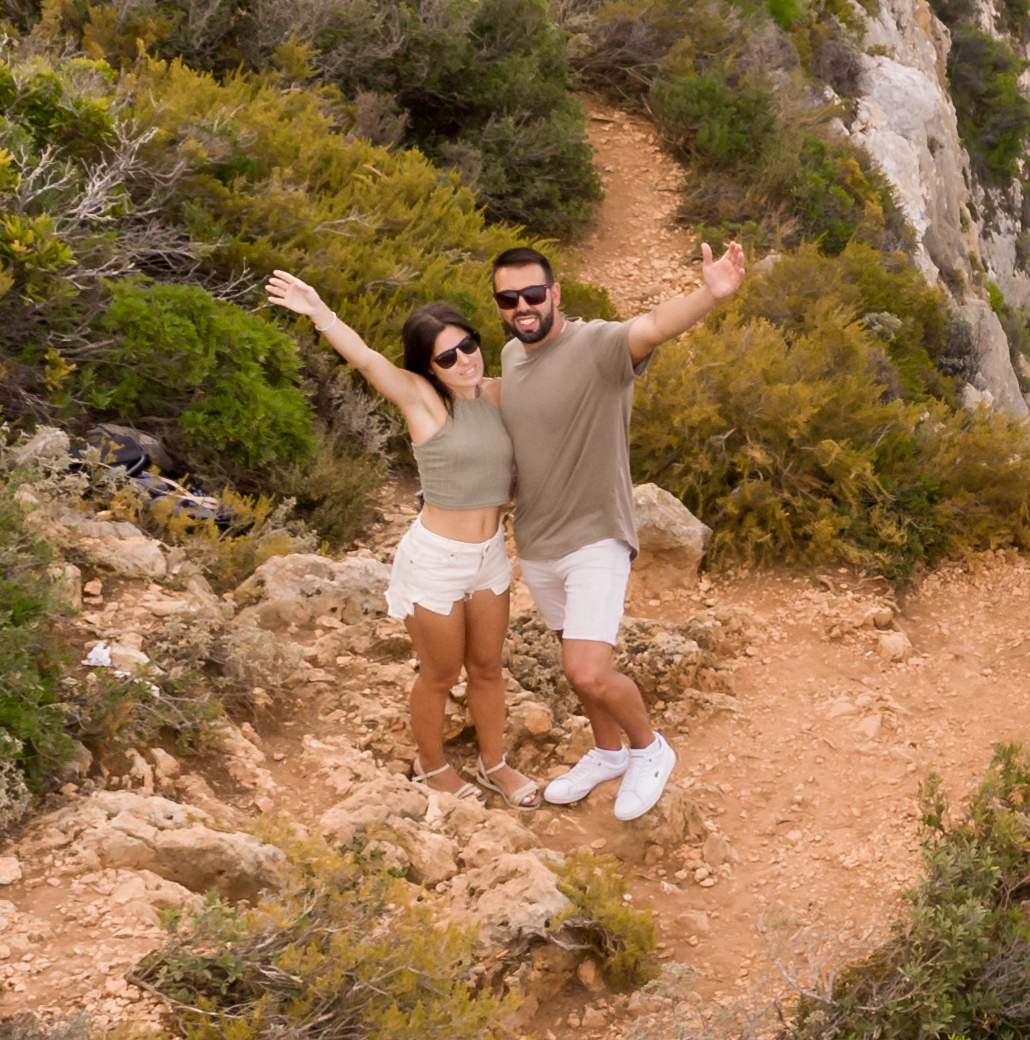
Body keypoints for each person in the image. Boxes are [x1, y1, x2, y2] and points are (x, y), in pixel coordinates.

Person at [488, 237, 747, 820]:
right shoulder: (510, 356)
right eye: (508, 299)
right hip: (537, 541)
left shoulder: (596, 345)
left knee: (587, 669)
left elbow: (652, 326)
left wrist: (709, 294)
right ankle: (607, 753)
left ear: (555, 293)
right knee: (572, 660)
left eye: (533, 294)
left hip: (595, 536)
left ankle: (649, 749)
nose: (522, 306)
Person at [264, 271, 540, 809]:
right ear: (428, 366)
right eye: (447, 357)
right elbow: (367, 360)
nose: (464, 360)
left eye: (468, 345)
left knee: (488, 668)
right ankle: (431, 767)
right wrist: (319, 312)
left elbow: (553, 387)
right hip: (436, 561)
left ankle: (495, 764)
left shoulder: (498, 394)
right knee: (440, 674)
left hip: (490, 557)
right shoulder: (422, 399)